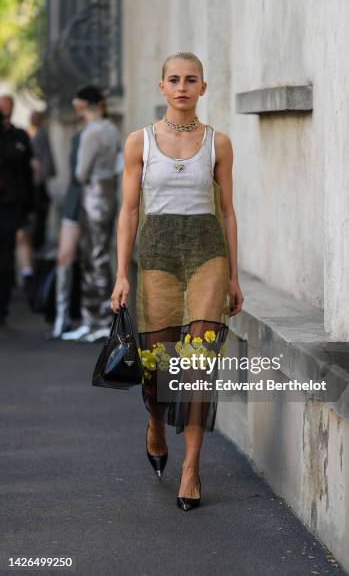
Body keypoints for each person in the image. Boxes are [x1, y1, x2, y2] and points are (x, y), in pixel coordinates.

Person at [111, 52, 244, 510]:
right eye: (174, 79)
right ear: (161, 87)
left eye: (191, 80)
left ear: (203, 88)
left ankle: (191, 470)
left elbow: (227, 212)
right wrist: (120, 276)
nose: (183, 86)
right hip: (157, 258)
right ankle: (154, 423)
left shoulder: (219, 143)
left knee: (197, 364)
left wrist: (235, 276)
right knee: (157, 368)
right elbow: (128, 212)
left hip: (207, 256)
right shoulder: (139, 142)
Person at [62, 86, 121, 343]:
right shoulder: (110, 128)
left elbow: (80, 173)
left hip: (92, 194)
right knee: (101, 255)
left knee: (92, 257)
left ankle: (95, 320)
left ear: (84, 104)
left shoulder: (91, 132)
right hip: (109, 192)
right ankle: (102, 318)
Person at [45, 122, 84, 339]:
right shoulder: (79, 134)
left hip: (93, 203)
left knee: (93, 263)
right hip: (76, 200)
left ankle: (94, 319)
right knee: (64, 258)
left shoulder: (99, 132)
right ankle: (62, 317)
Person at [0, 95, 34, 329]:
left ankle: (2, 309)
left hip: (10, 205)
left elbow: (25, 170)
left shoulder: (18, 137)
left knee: (5, 258)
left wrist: (29, 207)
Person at [27, 110, 56, 251]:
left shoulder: (41, 134)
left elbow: (45, 156)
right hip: (34, 180)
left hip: (39, 179)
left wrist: (42, 174)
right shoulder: (31, 133)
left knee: (40, 209)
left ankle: (38, 242)